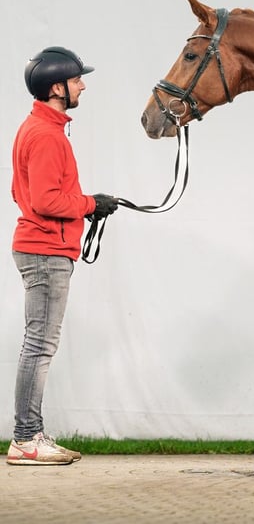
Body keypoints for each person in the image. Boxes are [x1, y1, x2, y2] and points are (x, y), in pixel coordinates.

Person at [7, 47, 119, 466]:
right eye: (77, 81)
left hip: (40, 247)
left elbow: (23, 194)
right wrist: (91, 204)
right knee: (39, 345)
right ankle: (26, 438)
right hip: (45, 252)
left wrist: (87, 203)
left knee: (39, 344)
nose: (83, 86)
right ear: (57, 87)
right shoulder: (47, 135)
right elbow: (45, 198)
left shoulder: (35, 128)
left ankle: (30, 433)